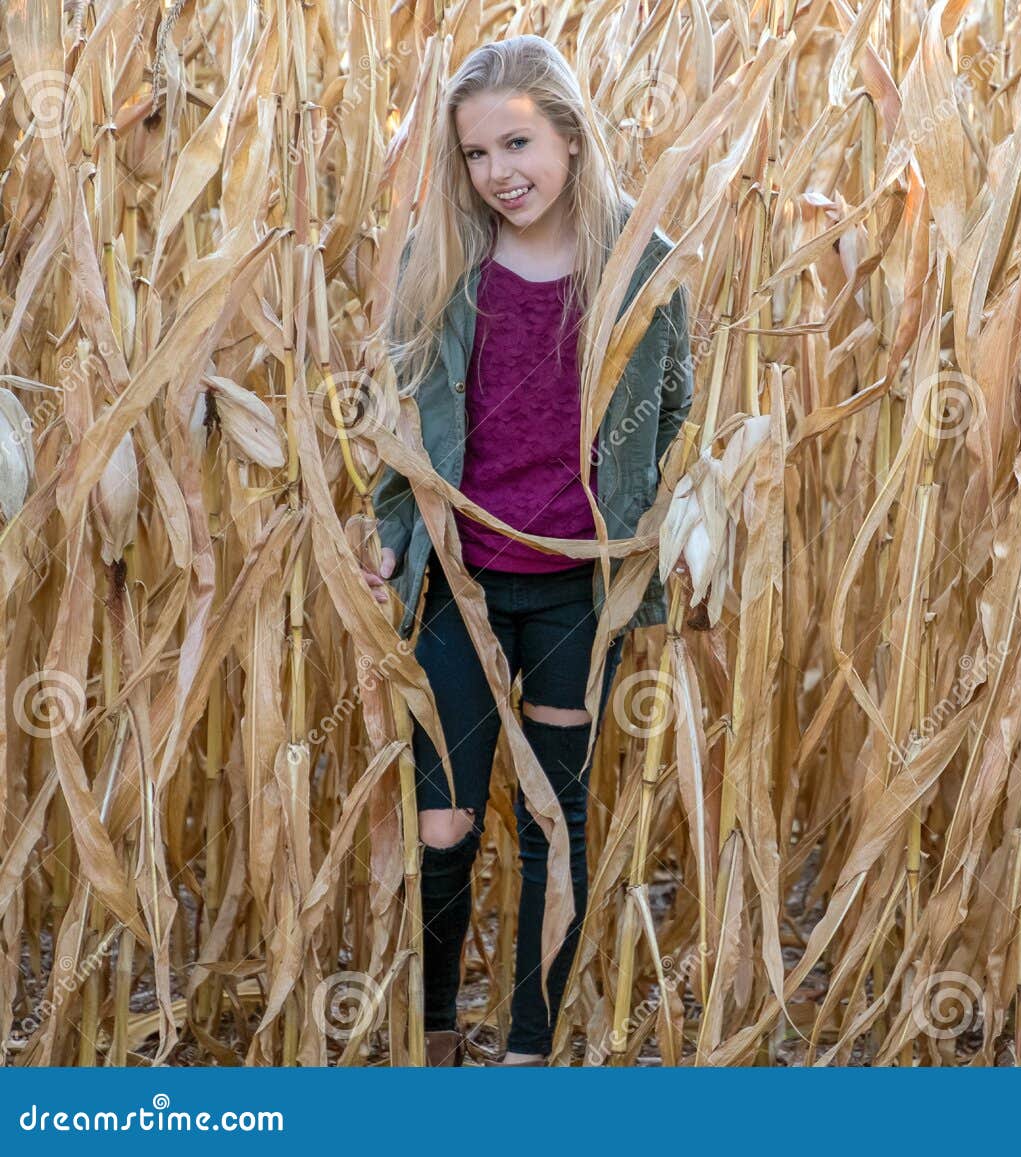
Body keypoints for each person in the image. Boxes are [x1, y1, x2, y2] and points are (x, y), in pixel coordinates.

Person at [363, 34, 693, 1067]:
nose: (500, 172)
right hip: (458, 580)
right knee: (445, 819)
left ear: (570, 134)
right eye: (475, 154)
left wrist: (664, 533)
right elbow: (400, 417)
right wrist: (389, 533)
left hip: (573, 585)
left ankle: (528, 1048)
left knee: (555, 813)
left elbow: (675, 410)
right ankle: (434, 1030)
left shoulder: (642, 266)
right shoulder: (441, 266)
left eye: (519, 142)